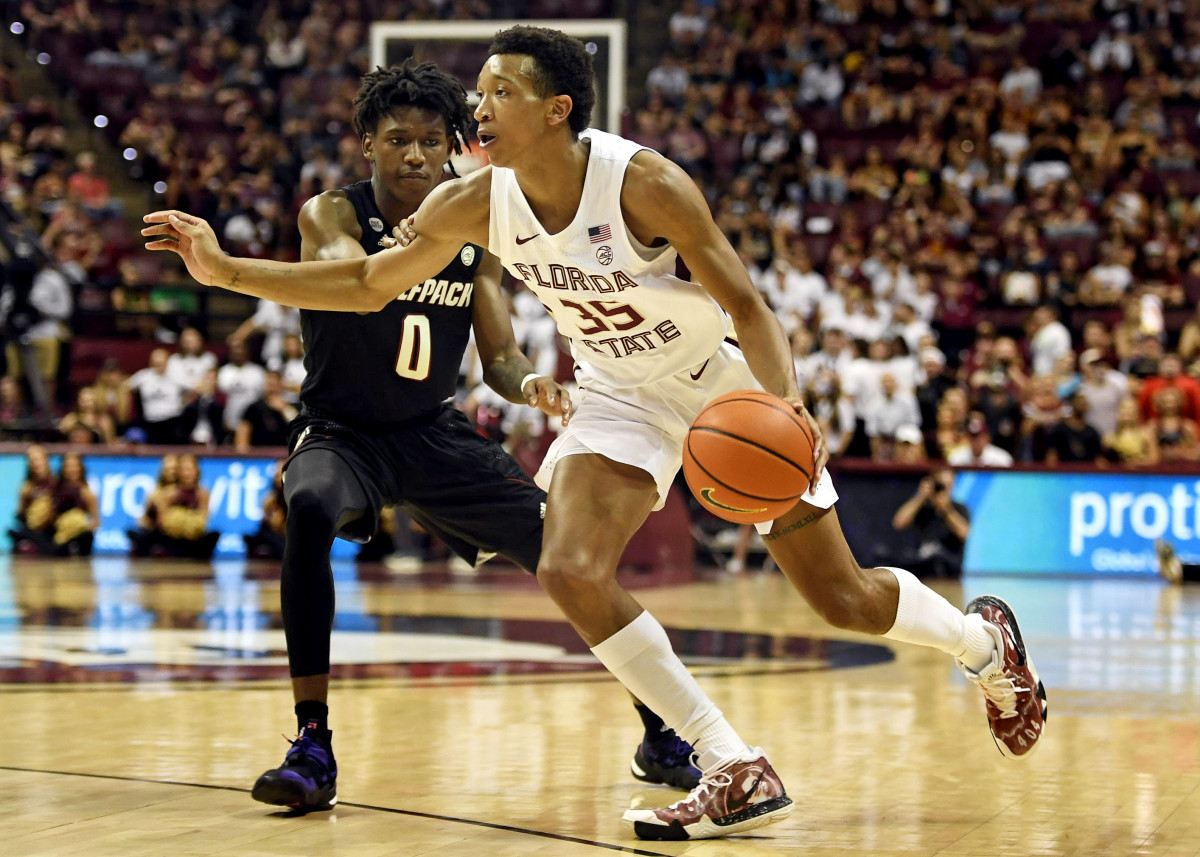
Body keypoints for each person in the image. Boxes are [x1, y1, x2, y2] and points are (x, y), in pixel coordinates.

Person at [144, 27, 1047, 841]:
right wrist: (223, 268)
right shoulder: (473, 202)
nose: (477, 106)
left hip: (721, 391)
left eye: (497, 91)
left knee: (842, 600)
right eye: (479, 91)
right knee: (569, 566)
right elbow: (369, 285)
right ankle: (730, 762)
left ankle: (981, 644)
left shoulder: (642, 182)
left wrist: (786, 403)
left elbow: (746, 301)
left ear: (555, 108)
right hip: (614, 392)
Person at [160, 61, 700, 813]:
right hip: (342, 431)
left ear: (453, 148)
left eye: (429, 142)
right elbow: (353, 279)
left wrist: (528, 384)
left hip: (432, 433)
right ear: (367, 148)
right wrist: (231, 271)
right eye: (396, 141)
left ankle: (657, 730)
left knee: (566, 556)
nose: (414, 155)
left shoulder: (475, 235)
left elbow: (502, 355)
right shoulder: (332, 214)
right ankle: (312, 742)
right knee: (309, 504)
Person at [890, 467, 970, 578]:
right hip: (923, 562)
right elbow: (898, 523)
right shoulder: (923, 508)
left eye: (946, 487)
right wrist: (920, 496)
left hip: (949, 565)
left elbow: (964, 533)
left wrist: (946, 510)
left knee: (938, 561)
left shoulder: (959, 508)